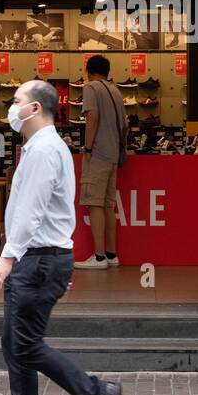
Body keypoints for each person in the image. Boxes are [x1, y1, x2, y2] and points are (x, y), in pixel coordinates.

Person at [0, 80, 121, 395]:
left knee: (23, 345)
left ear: (35, 108)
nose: (12, 108)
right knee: (15, 343)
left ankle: (96, 393)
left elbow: (32, 209)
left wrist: (8, 257)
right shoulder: (44, 147)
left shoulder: (42, 151)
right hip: (43, 259)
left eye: (16, 101)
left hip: (36, 260)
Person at [74, 54, 126, 270]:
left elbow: (92, 117)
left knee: (93, 202)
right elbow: (124, 125)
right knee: (107, 204)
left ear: (88, 71)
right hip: (114, 154)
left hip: (98, 154)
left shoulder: (91, 88)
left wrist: (87, 147)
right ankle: (112, 254)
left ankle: (98, 257)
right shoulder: (115, 90)